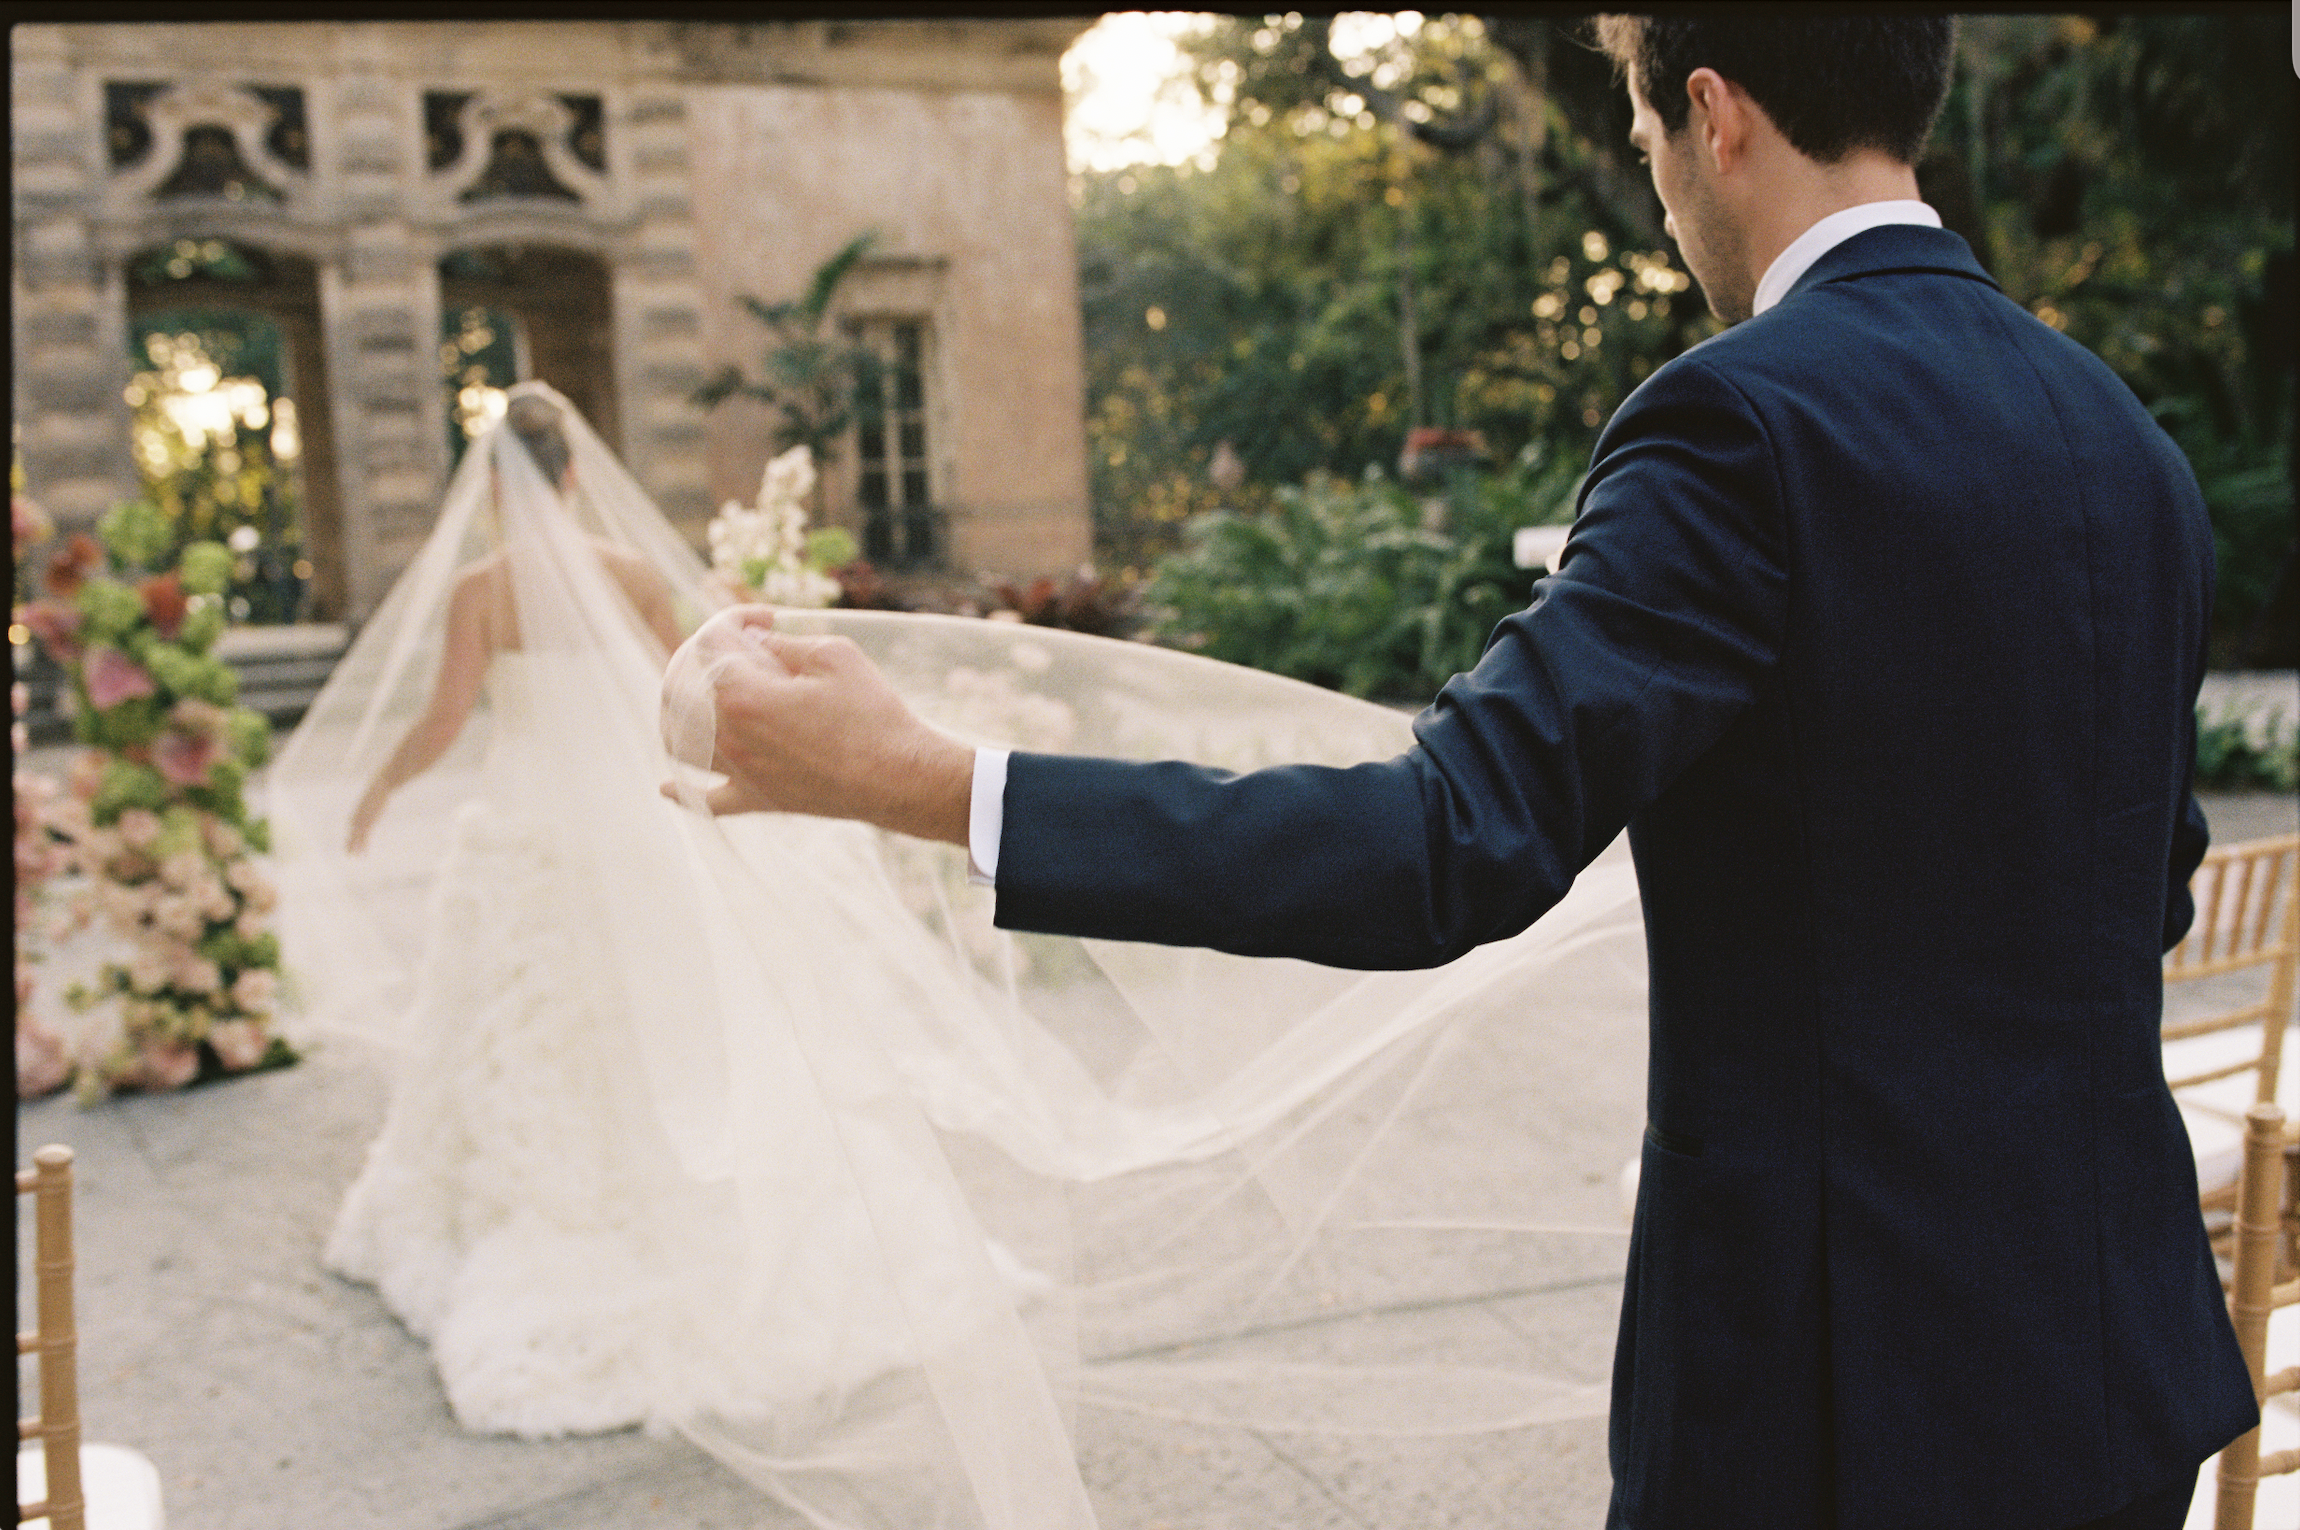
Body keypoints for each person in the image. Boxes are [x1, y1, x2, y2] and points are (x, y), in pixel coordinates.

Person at [683, 17, 2257, 1529]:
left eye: (1646, 138)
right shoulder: (2124, 437)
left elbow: (1445, 839)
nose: (1657, 187)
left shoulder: (1738, 422)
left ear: (1714, 114)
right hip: (2118, 1367)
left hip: (1833, 1404)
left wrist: (927, 778)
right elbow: (2151, 871)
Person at [274, 384, 1646, 1526]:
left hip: (522, 841)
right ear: (575, 471)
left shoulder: (472, 589)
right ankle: (660, 1220)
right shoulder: (632, 573)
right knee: (638, 1039)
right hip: (616, 837)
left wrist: (381, 791)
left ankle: (528, 1225)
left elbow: (445, 714)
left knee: (530, 1044)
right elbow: (690, 694)